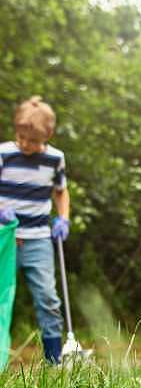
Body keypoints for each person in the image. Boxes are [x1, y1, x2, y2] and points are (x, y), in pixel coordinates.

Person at [0, 96, 70, 363]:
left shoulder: (55, 159)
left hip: (39, 239)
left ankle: (54, 362)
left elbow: (61, 192)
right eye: (21, 137)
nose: (25, 145)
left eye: (33, 141)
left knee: (49, 300)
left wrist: (63, 218)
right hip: (5, 238)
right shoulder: (4, 154)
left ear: (48, 135)